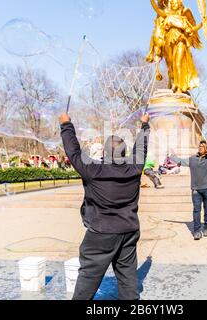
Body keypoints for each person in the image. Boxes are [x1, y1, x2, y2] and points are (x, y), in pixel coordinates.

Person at [59, 112, 150, 301]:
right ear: (125, 153)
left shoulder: (93, 169)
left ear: (104, 153)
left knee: (89, 277)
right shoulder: (134, 168)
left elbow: (73, 152)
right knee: (128, 277)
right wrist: (145, 126)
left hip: (101, 233)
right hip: (129, 229)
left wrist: (66, 124)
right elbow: (141, 148)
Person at [170, 141, 207, 240]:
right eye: (200, 146)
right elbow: (180, 161)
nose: (201, 147)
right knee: (196, 210)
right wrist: (171, 155)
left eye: (203, 146)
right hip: (196, 189)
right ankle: (197, 231)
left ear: (206, 148)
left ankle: (206, 227)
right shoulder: (192, 159)